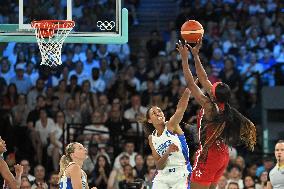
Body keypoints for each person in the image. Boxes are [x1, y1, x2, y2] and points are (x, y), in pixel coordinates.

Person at [177, 40, 256, 189]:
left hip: (209, 156)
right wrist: (195, 55)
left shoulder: (209, 107)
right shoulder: (224, 105)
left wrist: (184, 57)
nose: (210, 84)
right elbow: (203, 78)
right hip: (222, 155)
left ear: (213, 95)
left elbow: (190, 82)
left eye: (212, 87)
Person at [141, 87, 192, 188]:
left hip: (181, 172)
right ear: (150, 120)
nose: (158, 113)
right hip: (163, 175)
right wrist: (168, 151)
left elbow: (180, 109)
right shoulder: (152, 138)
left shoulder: (170, 125)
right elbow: (159, 166)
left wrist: (188, 91)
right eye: (154, 113)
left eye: (159, 111)